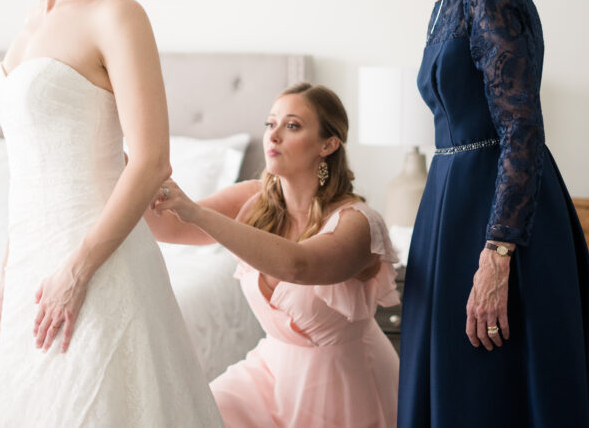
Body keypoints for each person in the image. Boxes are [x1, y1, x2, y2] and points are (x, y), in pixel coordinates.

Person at [355, 0, 589, 427]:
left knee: (497, 384)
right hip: (450, 204)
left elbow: (521, 130)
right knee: (453, 379)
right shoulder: (444, 5)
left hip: (501, 218)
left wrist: (498, 255)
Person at [0, 0, 222, 427]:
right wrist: (7, 274)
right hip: (30, 264)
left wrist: (78, 270)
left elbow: (150, 160)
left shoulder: (118, 15)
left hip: (98, 257)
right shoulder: (26, 26)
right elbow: (27, 169)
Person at [146, 82, 400, 428]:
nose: (273, 135)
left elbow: (299, 265)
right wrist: (122, 160)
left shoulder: (358, 223)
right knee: (199, 415)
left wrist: (199, 213)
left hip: (345, 385)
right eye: (270, 124)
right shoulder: (253, 200)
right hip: (270, 373)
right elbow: (168, 228)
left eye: (292, 125)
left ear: (328, 144)